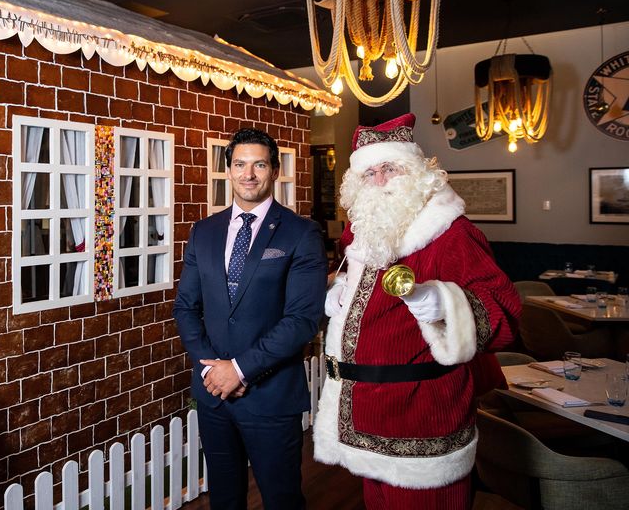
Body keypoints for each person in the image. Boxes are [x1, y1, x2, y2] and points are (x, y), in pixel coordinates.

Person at [313, 113, 521, 509]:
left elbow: (506, 314)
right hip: (364, 416)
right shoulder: (365, 230)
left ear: (414, 171)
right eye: (369, 172)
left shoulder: (451, 231)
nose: (379, 181)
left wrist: (444, 302)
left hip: (422, 416)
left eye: (389, 168)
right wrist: (340, 289)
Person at [173, 127, 327, 510]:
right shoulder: (204, 232)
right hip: (214, 397)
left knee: (282, 500)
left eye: (259, 164)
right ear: (229, 170)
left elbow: (302, 320)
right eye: (240, 164)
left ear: (274, 170)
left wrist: (238, 370)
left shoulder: (301, 233)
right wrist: (212, 370)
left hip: (271, 398)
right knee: (224, 500)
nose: (249, 174)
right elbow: (186, 308)